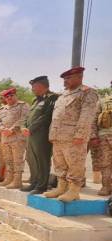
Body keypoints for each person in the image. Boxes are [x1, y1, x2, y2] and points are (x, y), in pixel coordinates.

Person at [45, 67, 100, 201]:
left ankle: (74, 190)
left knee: (75, 164)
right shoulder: (63, 95)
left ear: (79, 77)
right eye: (64, 79)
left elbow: (87, 116)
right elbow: (56, 116)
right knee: (59, 163)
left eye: (68, 78)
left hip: (74, 137)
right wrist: (52, 134)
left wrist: (80, 135)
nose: (65, 81)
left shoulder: (87, 93)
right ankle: (61, 187)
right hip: (58, 136)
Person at [21, 76, 59, 194]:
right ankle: (34, 182)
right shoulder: (35, 100)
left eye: (34, 86)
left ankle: (42, 185)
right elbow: (28, 116)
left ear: (42, 86)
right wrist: (24, 126)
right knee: (32, 159)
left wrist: (31, 128)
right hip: (31, 134)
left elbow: (46, 116)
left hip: (42, 134)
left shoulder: (52, 98)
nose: (32, 89)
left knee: (42, 160)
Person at [0, 88, 30, 189]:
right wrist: (3, 129)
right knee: (8, 159)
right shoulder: (2, 109)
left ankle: (17, 181)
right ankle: (9, 179)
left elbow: (24, 118)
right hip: (5, 138)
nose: (9, 98)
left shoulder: (23, 105)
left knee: (17, 159)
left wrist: (11, 130)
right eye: (7, 97)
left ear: (15, 95)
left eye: (11, 96)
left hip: (17, 137)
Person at [93, 93, 112, 195]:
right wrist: (93, 136)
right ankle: (106, 187)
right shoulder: (102, 101)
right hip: (105, 137)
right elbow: (94, 119)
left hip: (105, 136)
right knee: (105, 163)